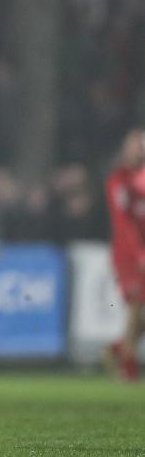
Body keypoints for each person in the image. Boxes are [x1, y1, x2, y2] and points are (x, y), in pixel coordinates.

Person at [104, 129, 145, 381]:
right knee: (135, 306)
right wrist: (139, 254)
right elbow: (123, 223)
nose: (140, 148)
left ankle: (117, 348)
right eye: (136, 145)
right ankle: (127, 366)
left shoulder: (141, 179)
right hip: (128, 254)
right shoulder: (117, 180)